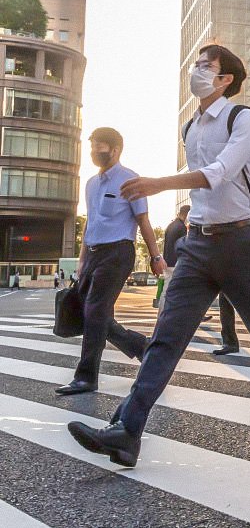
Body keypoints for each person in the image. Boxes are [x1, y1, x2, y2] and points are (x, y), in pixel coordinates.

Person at [67, 44, 250, 467]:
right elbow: (201, 186)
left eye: (205, 66)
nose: (196, 71)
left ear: (225, 78)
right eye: (196, 64)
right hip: (197, 243)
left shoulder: (241, 118)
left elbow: (219, 174)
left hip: (240, 243)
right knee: (166, 336)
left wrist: (158, 183)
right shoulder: (190, 126)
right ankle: (128, 431)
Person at [54, 127, 163, 397]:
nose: (94, 152)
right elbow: (91, 222)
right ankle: (144, 349)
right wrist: (82, 260)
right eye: (91, 147)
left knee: (95, 310)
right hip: (92, 254)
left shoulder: (130, 180)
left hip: (117, 253)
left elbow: (143, 221)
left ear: (115, 150)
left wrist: (155, 256)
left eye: (99, 147)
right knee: (94, 314)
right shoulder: (91, 184)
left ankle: (86, 377)